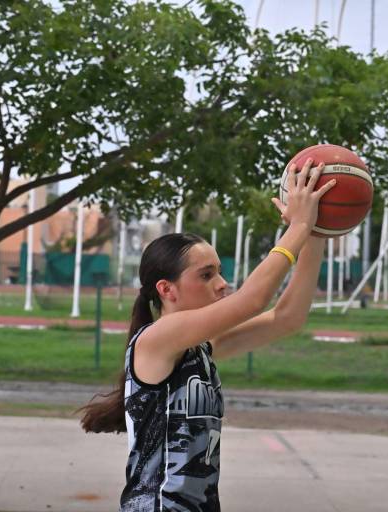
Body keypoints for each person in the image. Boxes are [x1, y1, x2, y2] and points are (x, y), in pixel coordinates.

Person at [78, 158, 336, 511]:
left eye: (220, 271)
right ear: (167, 289)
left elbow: (287, 318)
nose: (222, 283)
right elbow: (254, 300)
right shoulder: (157, 339)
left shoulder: (199, 348)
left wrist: (317, 234)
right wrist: (299, 226)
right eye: (206, 275)